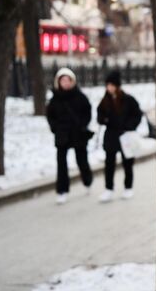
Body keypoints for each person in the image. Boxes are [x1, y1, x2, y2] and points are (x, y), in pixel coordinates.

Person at [46, 68, 93, 204]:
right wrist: (55, 128)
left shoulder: (80, 96)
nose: (65, 83)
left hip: (78, 133)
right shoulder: (55, 99)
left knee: (82, 160)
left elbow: (87, 112)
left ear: (72, 81)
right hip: (62, 134)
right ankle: (62, 190)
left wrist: (83, 125)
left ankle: (87, 180)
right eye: (63, 80)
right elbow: (50, 116)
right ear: (58, 82)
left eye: (68, 80)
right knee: (61, 163)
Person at [97, 71, 142, 202]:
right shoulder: (105, 100)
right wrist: (103, 119)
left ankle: (128, 187)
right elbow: (99, 115)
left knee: (127, 163)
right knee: (109, 164)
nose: (109, 87)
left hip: (126, 135)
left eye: (112, 85)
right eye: (107, 85)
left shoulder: (128, 99)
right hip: (111, 135)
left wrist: (129, 126)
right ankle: (108, 189)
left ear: (117, 85)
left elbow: (137, 115)